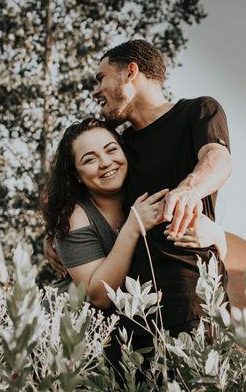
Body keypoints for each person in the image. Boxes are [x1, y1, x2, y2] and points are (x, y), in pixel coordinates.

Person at [46, 39, 231, 335]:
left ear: (130, 72)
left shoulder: (197, 111)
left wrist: (190, 192)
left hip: (192, 298)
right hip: (134, 313)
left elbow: (217, 158)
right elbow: (84, 186)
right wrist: (54, 232)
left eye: (101, 78)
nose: (95, 91)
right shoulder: (121, 146)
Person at [42, 118, 227, 377]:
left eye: (111, 149)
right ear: (76, 174)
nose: (106, 162)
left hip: (142, 336)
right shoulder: (74, 215)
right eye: (89, 159)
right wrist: (132, 226)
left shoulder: (144, 187)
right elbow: (99, 295)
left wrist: (218, 236)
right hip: (84, 350)